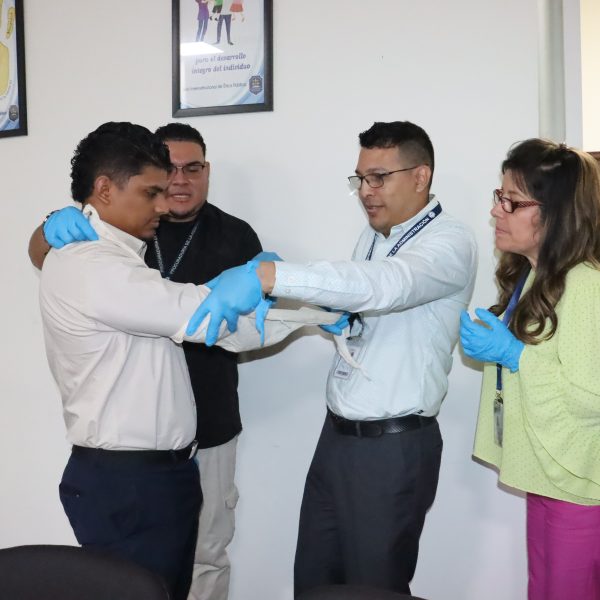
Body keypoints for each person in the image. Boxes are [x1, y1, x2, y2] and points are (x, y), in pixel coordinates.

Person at [37, 121, 333, 600]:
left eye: (187, 173)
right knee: (137, 591)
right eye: (150, 192)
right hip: (130, 479)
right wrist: (291, 295)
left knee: (180, 578)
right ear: (105, 190)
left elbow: (207, 317)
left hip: (163, 466)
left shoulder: (125, 257)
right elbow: (200, 315)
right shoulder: (94, 265)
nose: (162, 204)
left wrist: (307, 312)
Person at [187, 121, 478, 596]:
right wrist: (330, 315)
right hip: (337, 439)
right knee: (314, 582)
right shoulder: (375, 235)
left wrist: (271, 275)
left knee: (373, 588)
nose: (366, 191)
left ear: (421, 176)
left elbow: (387, 285)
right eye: (360, 178)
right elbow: (362, 299)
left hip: (392, 447)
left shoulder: (449, 242)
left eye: (378, 178)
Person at [460, 139, 600, 600]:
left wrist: (517, 355)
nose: (496, 211)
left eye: (512, 202)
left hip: (580, 485)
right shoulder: (534, 274)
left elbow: (590, 396)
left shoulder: (586, 283)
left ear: (555, 214)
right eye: (498, 197)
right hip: (549, 473)